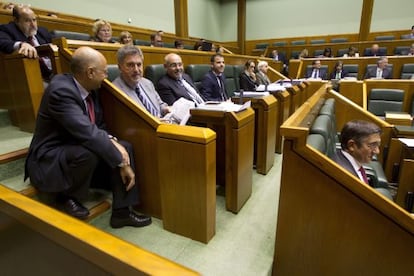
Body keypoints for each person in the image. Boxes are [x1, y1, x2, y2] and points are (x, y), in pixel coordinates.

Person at [24, 46, 152, 228]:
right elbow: (87, 133)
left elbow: (98, 127)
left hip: (76, 145)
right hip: (50, 157)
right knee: (92, 152)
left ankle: (122, 212)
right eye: (104, 72)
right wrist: (122, 162)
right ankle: (65, 197)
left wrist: (115, 143)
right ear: (90, 72)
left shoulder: (90, 89)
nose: (106, 77)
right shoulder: (60, 91)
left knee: (125, 146)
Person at [332, 120, 392, 199]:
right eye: (372, 145)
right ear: (352, 146)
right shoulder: (346, 177)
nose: (377, 151)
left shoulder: (343, 158)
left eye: (378, 145)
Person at [112, 45, 171, 119]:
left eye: (139, 65)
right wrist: (154, 121)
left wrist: (165, 109)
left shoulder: (147, 83)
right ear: (120, 67)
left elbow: (160, 104)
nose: (136, 70)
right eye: (130, 65)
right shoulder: (116, 92)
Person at [0, 5, 53, 80]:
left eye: (34, 20)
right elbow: (2, 42)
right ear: (16, 21)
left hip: (54, 71)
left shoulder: (42, 31)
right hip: (34, 77)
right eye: (27, 20)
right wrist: (21, 44)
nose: (33, 24)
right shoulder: (8, 29)